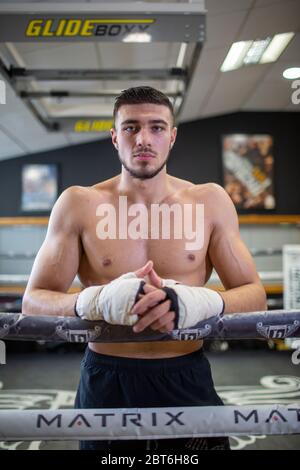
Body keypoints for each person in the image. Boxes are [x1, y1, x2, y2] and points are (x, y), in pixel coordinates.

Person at [22, 86, 267, 451]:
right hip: (107, 378)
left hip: (186, 374)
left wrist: (195, 301)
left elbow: (254, 295)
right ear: (114, 136)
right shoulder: (78, 203)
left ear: (172, 136)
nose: (143, 139)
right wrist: (97, 301)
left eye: (156, 127)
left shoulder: (210, 200)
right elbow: (34, 302)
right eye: (131, 127)